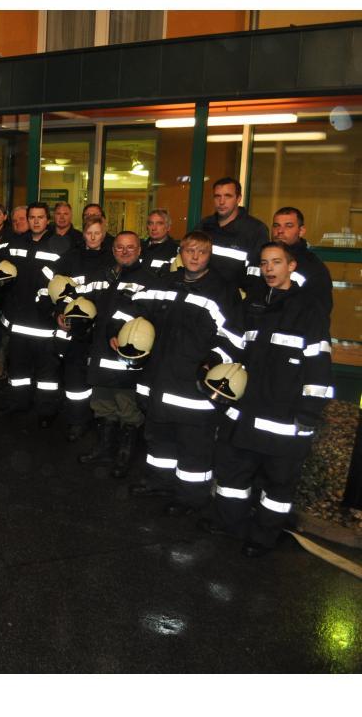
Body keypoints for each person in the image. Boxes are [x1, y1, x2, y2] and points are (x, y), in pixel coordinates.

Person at [201, 242, 333, 557]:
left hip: (283, 419)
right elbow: (231, 341)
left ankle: (264, 536)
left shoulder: (308, 310)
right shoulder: (254, 303)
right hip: (244, 412)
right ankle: (230, 522)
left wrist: (309, 412)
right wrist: (211, 362)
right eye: (264, 263)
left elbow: (319, 364)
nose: (269, 269)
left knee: (278, 484)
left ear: (291, 266)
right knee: (233, 474)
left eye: (276, 262)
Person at [130, 230, 243, 515]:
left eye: (202, 252)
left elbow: (234, 338)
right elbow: (137, 310)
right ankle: (160, 482)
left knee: (194, 446)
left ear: (209, 256)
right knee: (159, 438)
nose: (195, 257)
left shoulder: (222, 291)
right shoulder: (165, 282)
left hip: (194, 385)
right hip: (160, 379)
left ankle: (191, 498)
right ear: (180, 252)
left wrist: (212, 361)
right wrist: (122, 331)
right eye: (190, 250)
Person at [72, 231, 156, 467]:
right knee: (102, 405)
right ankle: (104, 448)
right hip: (101, 351)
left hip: (125, 354)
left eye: (130, 247)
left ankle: (124, 455)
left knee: (127, 408)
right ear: (113, 249)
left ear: (140, 250)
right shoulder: (106, 275)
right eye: (119, 247)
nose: (124, 251)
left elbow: (141, 310)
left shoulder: (148, 279)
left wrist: (115, 330)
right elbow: (84, 298)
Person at [0, 203, 70, 426]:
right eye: (32, 217)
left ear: (48, 220)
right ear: (27, 219)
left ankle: (46, 411)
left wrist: (55, 308)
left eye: (40, 217)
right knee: (18, 369)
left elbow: (65, 283)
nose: (36, 221)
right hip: (18, 320)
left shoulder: (59, 246)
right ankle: (18, 403)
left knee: (47, 374)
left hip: (44, 323)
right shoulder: (14, 243)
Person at [55, 213, 115, 441]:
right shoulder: (71, 257)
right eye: (89, 233)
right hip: (76, 327)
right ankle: (77, 421)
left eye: (97, 233)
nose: (93, 237)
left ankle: (101, 419)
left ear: (104, 234)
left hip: (101, 328)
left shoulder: (112, 259)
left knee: (99, 376)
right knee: (75, 378)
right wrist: (59, 311)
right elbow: (57, 287)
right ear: (83, 234)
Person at [253, 206, 333, 318]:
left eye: (288, 226)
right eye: (276, 225)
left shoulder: (313, 268)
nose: (280, 231)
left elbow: (319, 313)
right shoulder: (260, 259)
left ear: (301, 231)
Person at [199, 177, 269, 290]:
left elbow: (258, 272)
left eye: (228, 196)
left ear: (238, 198)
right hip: (202, 292)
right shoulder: (204, 225)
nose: (221, 202)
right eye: (217, 196)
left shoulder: (255, 230)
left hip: (235, 296)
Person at [140, 209, 178, 276]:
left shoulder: (175, 250)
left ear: (168, 227)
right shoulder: (138, 247)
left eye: (159, 223)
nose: (154, 228)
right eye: (151, 223)